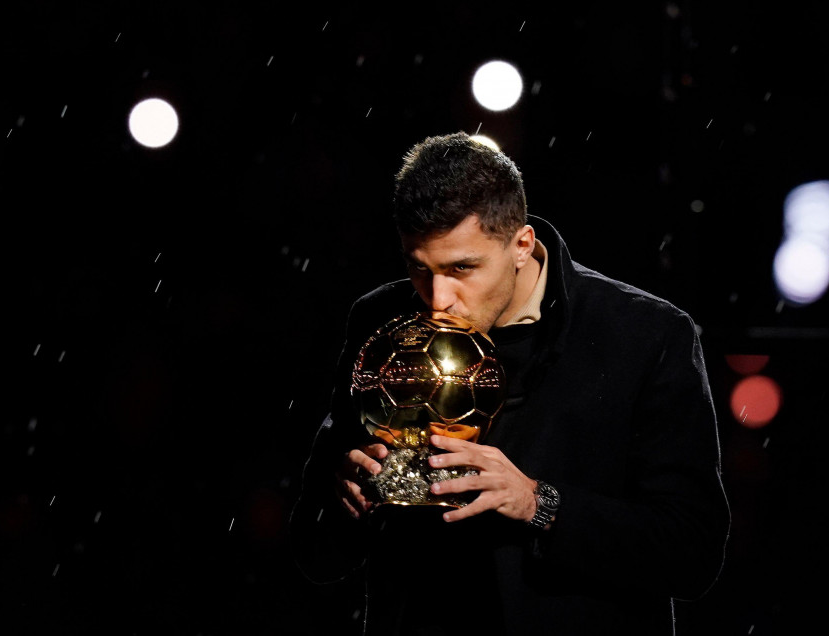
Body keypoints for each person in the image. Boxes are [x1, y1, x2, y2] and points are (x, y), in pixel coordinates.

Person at [289, 131, 730, 635]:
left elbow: (693, 554)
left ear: (521, 245)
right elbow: (314, 555)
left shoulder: (645, 335)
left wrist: (538, 503)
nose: (438, 299)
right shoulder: (379, 320)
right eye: (419, 269)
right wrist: (346, 501)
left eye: (462, 268)